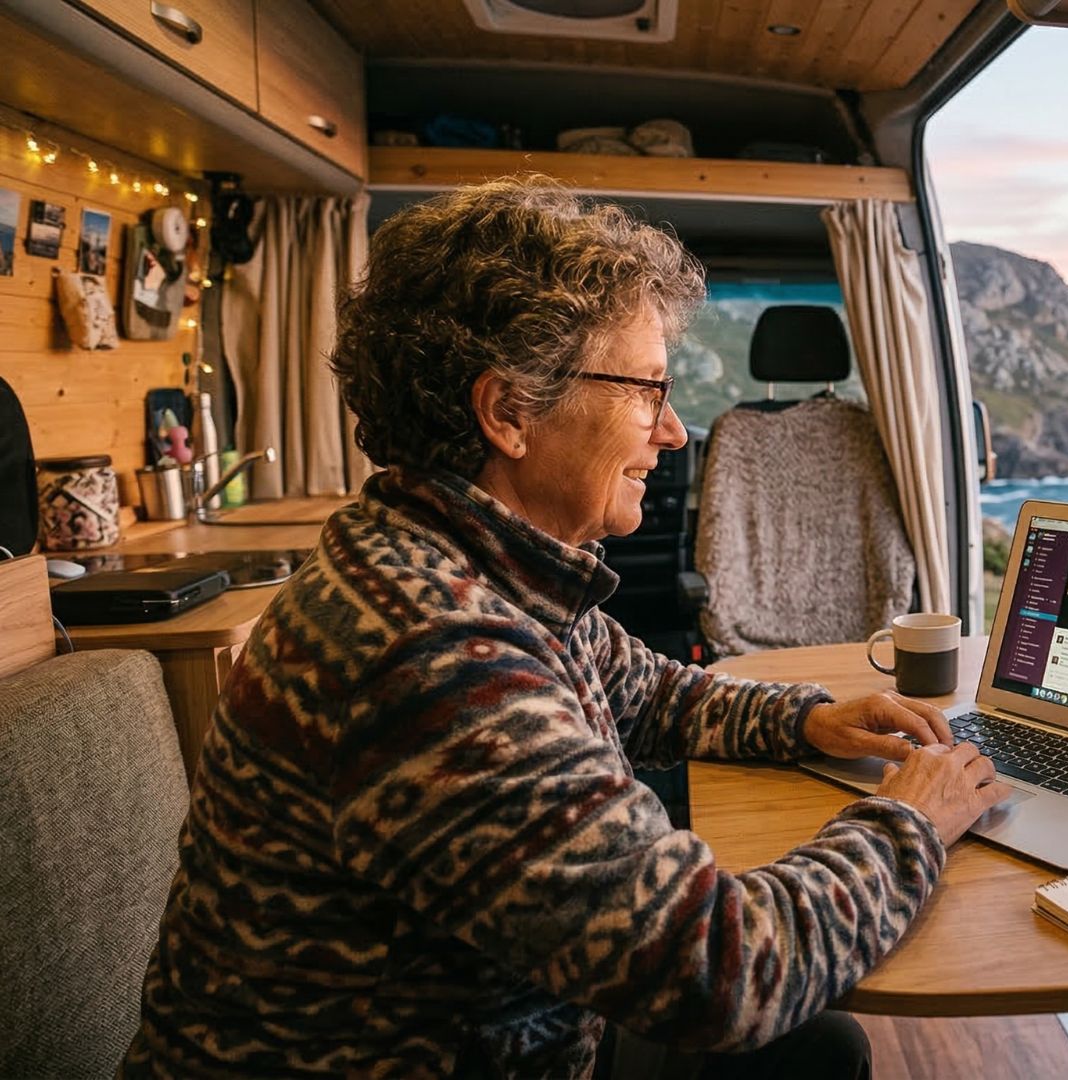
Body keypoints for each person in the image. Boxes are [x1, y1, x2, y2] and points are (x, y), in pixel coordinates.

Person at [121, 178, 1012, 1079]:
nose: (670, 432)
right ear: (508, 411)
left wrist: (806, 720)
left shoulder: (472, 561)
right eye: (647, 392)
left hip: (512, 1030)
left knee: (816, 1052)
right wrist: (910, 817)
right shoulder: (425, 652)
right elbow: (725, 970)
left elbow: (652, 689)